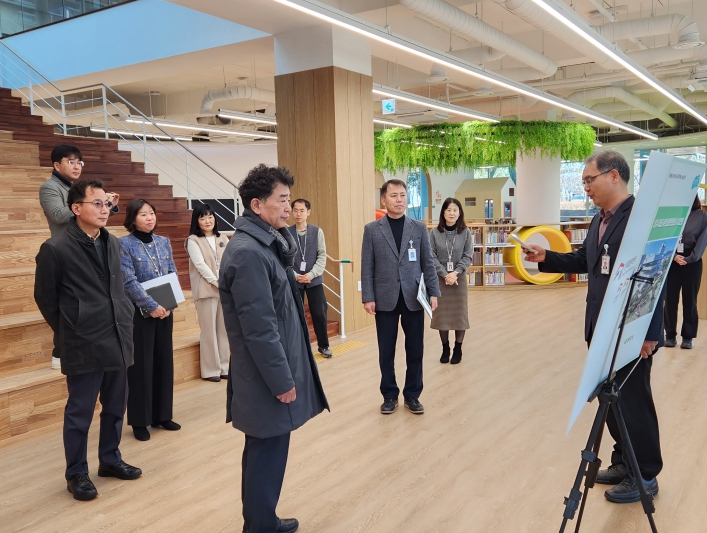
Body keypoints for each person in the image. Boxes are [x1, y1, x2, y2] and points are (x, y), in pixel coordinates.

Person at [524, 150, 664, 504]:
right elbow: (586, 260)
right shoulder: (597, 220)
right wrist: (547, 257)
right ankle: (624, 461)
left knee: (634, 402)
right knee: (611, 399)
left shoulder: (641, 217)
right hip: (600, 328)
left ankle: (646, 474)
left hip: (631, 331)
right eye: (584, 181)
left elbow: (656, 271)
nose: (585, 187)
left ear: (614, 176)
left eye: (589, 179)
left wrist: (650, 332)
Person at [220, 164, 328, 533]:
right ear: (256, 205)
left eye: (289, 199)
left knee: (267, 450)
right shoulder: (249, 253)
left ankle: (263, 519)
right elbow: (260, 329)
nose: (288, 207)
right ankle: (260, 526)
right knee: (265, 451)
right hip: (264, 376)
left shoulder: (265, 245)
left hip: (270, 370)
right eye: (281, 200)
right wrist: (282, 381)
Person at [34, 178, 141, 501]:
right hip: (82, 341)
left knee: (116, 407)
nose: (104, 209)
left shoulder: (113, 242)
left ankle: (110, 459)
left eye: (106, 203)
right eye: (97, 203)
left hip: (117, 335)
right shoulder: (56, 248)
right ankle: (76, 472)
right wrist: (71, 327)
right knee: (80, 412)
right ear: (76, 208)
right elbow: (45, 298)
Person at [361, 179, 441, 415]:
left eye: (403, 195)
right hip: (384, 298)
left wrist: (434, 292)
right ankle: (389, 395)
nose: (399, 200)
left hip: (413, 297)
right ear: (383, 200)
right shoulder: (372, 229)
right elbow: (367, 266)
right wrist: (368, 296)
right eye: (393, 195)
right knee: (386, 351)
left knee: (415, 350)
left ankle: (412, 395)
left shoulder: (418, 228)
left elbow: (428, 263)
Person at [39, 144, 120, 370]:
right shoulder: (49, 187)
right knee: (67, 300)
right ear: (57, 165)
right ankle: (60, 349)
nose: (77, 166)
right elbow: (58, 215)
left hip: (87, 246)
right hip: (66, 249)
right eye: (71, 161)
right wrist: (85, 204)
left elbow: (91, 218)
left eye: (79, 162)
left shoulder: (77, 188)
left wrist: (104, 205)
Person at [119, 199, 181, 442]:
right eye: (143, 214)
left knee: (164, 361)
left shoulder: (163, 241)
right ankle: (140, 420)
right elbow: (128, 280)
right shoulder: (124, 244)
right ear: (132, 218)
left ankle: (162, 415)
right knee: (141, 367)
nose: (149, 218)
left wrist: (169, 304)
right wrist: (151, 305)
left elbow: (172, 271)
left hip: (165, 310)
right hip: (139, 312)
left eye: (152, 213)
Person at [185, 203, 230, 381]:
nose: (207, 221)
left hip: (224, 290)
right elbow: (200, 265)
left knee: (224, 331)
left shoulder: (223, 238)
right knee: (209, 332)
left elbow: (229, 262)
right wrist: (216, 282)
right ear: (196, 221)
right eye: (202, 218)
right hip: (206, 290)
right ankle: (211, 370)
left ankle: (225, 367)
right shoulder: (193, 240)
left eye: (210, 217)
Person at [429, 198, 473, 364]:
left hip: (458, 279)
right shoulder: (434, 233)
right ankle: (445, 347)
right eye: (448, 210)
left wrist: (455, 273)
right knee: (442, 316)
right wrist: (444, 274)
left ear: (460, 213)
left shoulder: (465, 233)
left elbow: (468, 256)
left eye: (455, 210)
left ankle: (458, 348)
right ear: (443, 212)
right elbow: (431, 256)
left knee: (459, 315)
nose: (452, 213)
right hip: (440, 280)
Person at [287, 198, 332, 358]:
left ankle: (324, 346)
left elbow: (322, 256)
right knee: (295, 315)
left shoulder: (317, 231)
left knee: (319, 314)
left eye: (302, 210)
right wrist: (296, 276)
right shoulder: (286, 233)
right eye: (295, 210)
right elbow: (284, 259)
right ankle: (299, 349)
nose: (298, 214)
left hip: (314, 280)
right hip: (295, 281)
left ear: (308, 212)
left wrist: (311, 274)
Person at [664, 195, 707, 350]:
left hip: (692, 261)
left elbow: (703, 240)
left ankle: (687, 337)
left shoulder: (702, 216)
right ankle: (670, 335)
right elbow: (664, 237)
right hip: (672, 260)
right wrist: (673, 256)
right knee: (670, 299)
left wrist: (690, 258)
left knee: (690, 300)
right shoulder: (670, 215)